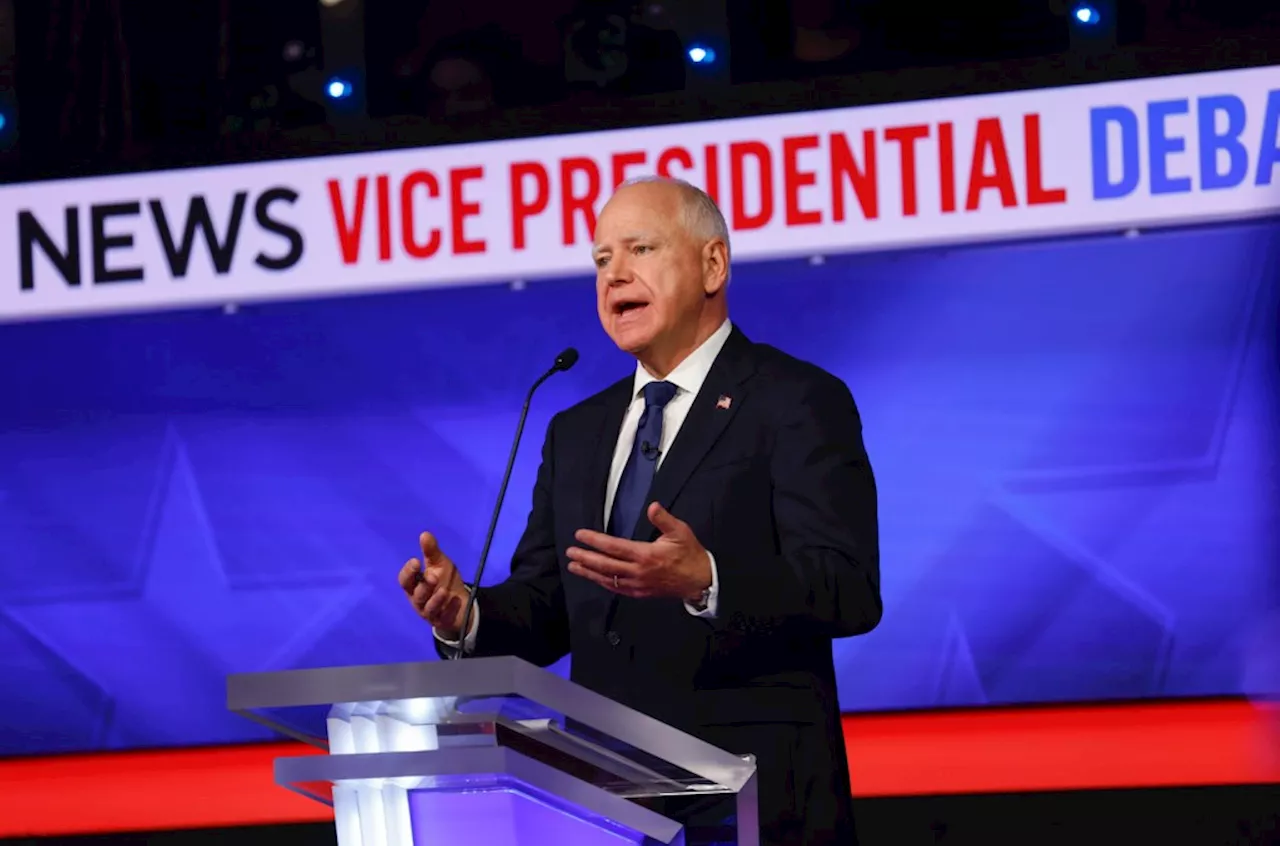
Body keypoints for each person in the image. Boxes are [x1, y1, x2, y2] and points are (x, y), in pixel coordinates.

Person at [398, 176, 882, 845]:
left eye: (640, 249)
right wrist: (468, 618)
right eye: (600, 260)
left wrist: (707, 579)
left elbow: (848, 590)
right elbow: (548, 607)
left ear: (713, 264)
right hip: (609, 802)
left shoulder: (795, 400)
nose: (614, 275)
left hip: (757, 804)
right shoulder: (576, 430)